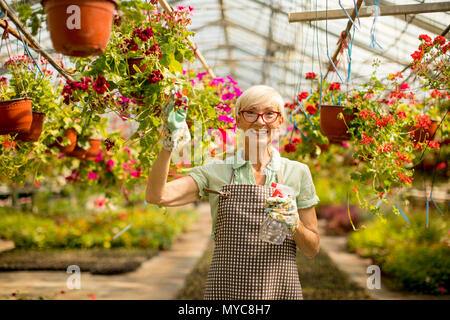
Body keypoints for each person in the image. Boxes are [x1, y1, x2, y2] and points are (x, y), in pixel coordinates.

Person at [146, 85, 320, 300]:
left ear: (280, 122)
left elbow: (312, 249)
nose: (260, 121)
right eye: (251, 112)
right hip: (226, 293)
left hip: (280, 290)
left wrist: (294, 223)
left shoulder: (297, 172)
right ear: (237, 120)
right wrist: (168, 142)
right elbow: (157, 196)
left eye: (269, 114)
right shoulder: (215, 171)